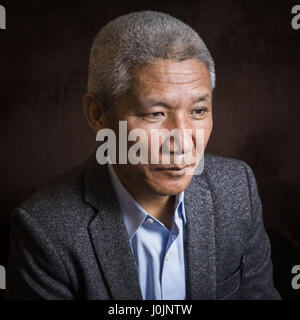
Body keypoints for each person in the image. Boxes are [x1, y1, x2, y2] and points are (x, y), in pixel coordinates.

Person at [6, 11, 280, 300]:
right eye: (155, 114)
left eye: (198, 111)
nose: (183, 142)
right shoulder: (45, 229)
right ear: (97, 115)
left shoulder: (238, 189)